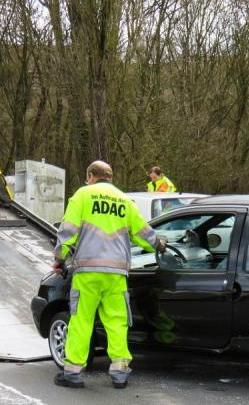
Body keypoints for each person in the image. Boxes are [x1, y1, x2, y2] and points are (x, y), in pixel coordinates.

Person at [53, 160, 166, 389]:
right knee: (117, 322)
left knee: (82, 321)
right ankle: (120, 372)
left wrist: (59, 258)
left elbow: (68, 232)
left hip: (88, 272)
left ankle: (73, 372)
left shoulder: (82, 196)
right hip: (116, 274)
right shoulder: (125, 201)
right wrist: (159, 244)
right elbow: (143, 233)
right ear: (111, 178)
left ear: (91, 176)